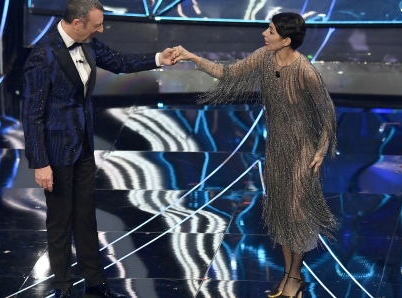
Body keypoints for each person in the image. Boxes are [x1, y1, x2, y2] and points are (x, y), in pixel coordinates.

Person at [171, 12, 338, 298]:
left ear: (285, 40)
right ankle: (287, 275)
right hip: (276, 148)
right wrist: (192, 57)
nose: (264, 33)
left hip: (303, 150)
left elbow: (327, 113)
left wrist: (321, 151)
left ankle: (295, 280)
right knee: (282, 213)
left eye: (270, 31)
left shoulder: (305, 71)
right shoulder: (264, 57)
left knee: (297, 215)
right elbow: (227, 73)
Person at [22, 0, 176, 297]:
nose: (101, 29)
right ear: (77, 23)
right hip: (56, 152)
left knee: (86, 216)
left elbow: (119, 62)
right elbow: (32, 113)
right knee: (60, 220)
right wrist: (40, 162)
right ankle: (63, 287)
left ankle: (95, 283)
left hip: (84, 147)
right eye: (97, 25)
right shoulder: (43, 55)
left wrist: (159, 58)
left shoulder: (89, 43)